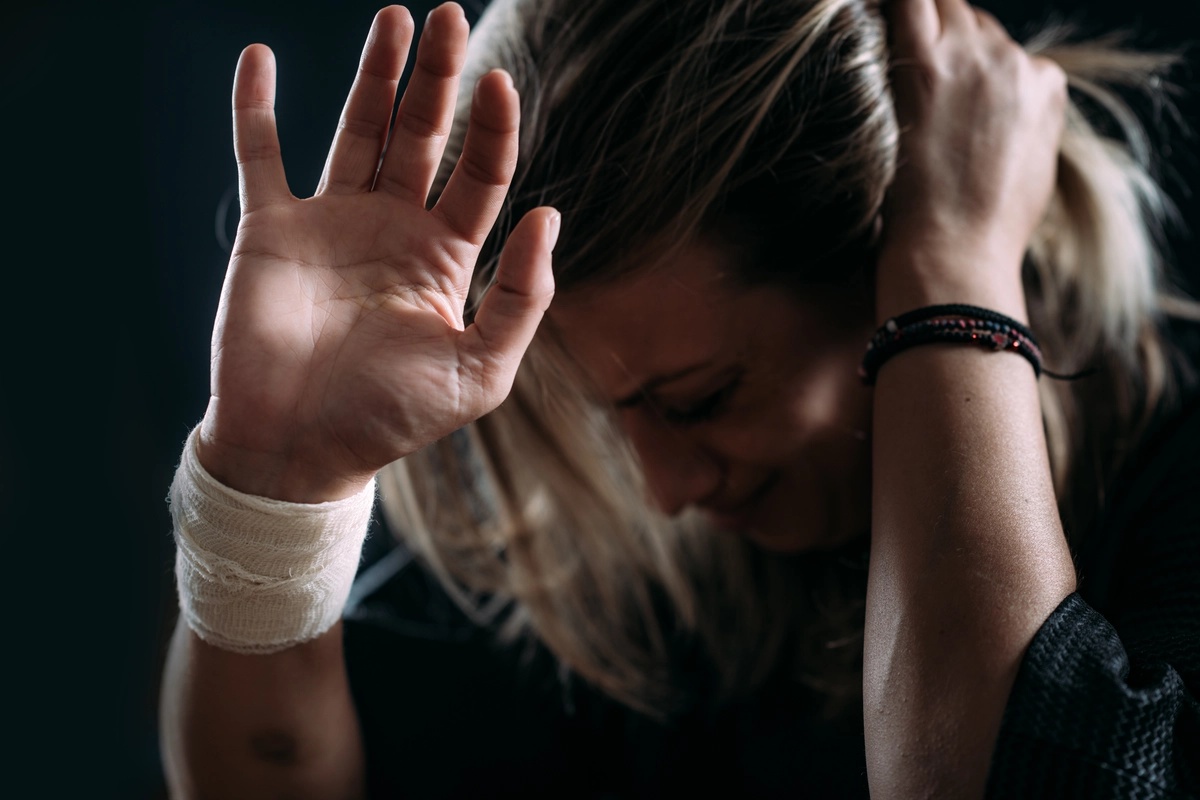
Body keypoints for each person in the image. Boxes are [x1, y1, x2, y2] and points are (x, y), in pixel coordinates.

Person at [159, 0, 1200, 796]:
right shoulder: (639, 603)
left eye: (700, 400)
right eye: (615, 414)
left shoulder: (1174, 499)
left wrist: (957, 262)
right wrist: (274, 490)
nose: (664, 490)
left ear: (882, 264)